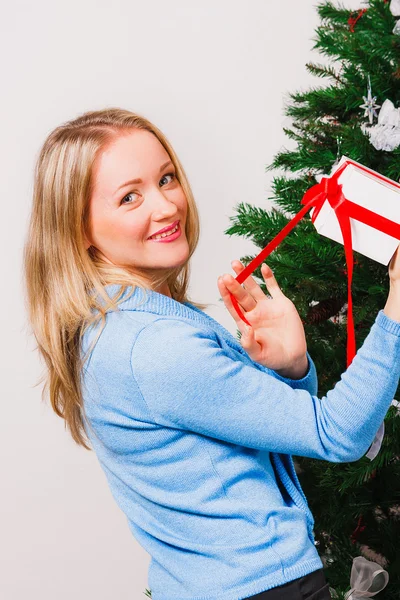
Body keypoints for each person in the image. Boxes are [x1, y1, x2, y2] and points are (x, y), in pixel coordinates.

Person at [22, 107, 400, 600]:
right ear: (80, 229)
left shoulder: (114, 327)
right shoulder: (154, 347)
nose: (165, 206)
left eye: (166, 178)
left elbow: (245, 450)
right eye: (130, 197)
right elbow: (338, 434)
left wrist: (292, 370)